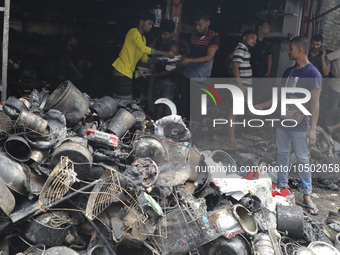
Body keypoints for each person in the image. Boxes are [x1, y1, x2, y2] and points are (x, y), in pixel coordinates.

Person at [255, 36, 322, 215]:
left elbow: (315, 103)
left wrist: (313, 129)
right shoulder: (288, 72)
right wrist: (262, 106)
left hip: (301, 125)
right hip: (283, 121)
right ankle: (282, 185)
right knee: (282, 154)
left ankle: (307, 194)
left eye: (291, 48)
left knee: (302, 158)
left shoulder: (313, 73)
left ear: (300, 50)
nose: (288, 51)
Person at [112, 12, 174, 100]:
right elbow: (143, 49)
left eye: (152, 24)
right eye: (149, 23)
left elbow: (144, 58)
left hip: (127, 72)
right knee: (124, 101)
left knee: (121, 100)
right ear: (141, 22)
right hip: (122, 70)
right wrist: (164, 53)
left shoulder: (143, 39)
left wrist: (156, 61)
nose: (151, 27)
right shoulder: (133, 32)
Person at [176, 12, 220, 120]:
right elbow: (190, 53)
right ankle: (184, 127)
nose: (197, 27)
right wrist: (179, 58)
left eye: (200, 25)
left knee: (198, 106)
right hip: (187, 74)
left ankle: (196, 129)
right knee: (185, 103)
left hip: (201, 77)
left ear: (207, 23)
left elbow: (209, 57)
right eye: (195, 25)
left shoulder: (214, 37)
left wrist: (189, 61)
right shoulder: (194, 35)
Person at [227, 30, 257, 149]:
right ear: (244, 38)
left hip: (242, 85)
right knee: (233, 112)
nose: (254, 41)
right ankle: (231, 140)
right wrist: (240, 85)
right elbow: (235, 67)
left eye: (255, 39)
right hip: (240, 86)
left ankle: (232, 137)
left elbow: (228, 61)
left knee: (236, 111)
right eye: (251, 38)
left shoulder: (243, 50)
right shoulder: (240, 50)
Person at [150, 19, 179, 119]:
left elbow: (173, 68)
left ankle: (168, 127)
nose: (163, 36)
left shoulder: (173, 47)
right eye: (161, 33)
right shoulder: (159, 40)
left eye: (165, 34)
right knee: (158, 102)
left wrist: (157, 75)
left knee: (167, 104)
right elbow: (149, 49)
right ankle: (157, 124)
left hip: (168, 79)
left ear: (171, 34)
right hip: (158, 77)